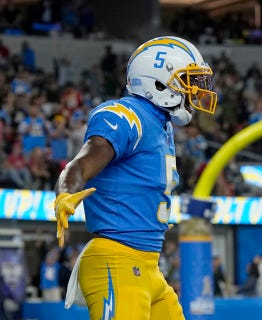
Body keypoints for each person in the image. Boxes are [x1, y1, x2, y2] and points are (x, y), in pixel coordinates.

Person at [54, 36, 218, 320]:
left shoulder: (160, 124)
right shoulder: (125, 115)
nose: (194, 90)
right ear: (157, 80)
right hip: (118, 259)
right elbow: (82, 162)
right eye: (187, 80)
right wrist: (66, 192)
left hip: (149, 267)